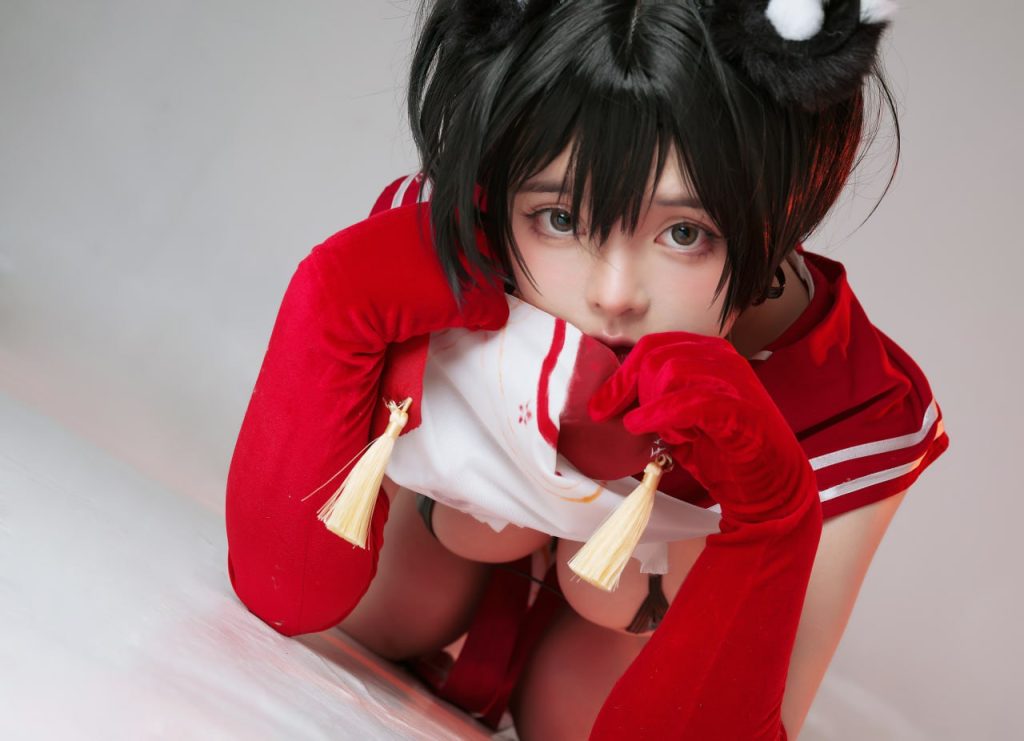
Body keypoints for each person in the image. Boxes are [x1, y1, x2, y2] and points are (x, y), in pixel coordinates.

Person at [225, 1, 950, 738]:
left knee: (578, 698)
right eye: (562, 219)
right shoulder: (450, 239)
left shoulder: (856, 404)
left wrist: (773, 514)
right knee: (391, 605)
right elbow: (283, 590)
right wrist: (328, 304)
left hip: (624, 649)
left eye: (684, 232)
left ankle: (625, 596)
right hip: (435, 565)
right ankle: (468, 530)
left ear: (780, 208)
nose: (613, 294)